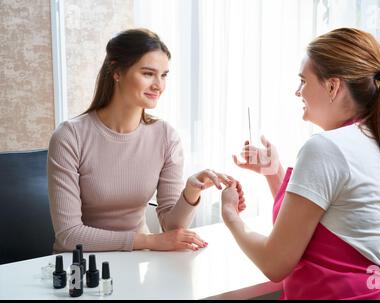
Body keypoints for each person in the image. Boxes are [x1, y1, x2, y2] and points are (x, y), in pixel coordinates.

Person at [222, 28, 380, 300]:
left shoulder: (326, 148)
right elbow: (321, 224)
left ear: (332, 86)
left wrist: (231, 217)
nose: (297, 91)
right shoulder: (379, 141)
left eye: (303, 81)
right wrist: (273, 172)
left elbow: (274, 263)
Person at [48, 28, 244, 253]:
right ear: (117, 72)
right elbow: (69, 235)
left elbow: (171, 227)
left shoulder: (166, 136)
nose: (158, 85)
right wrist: (149, 241)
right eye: (148, 73)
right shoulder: (69, 136)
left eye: (164, 75)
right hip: (80, 269)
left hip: (136, 262)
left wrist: (191, 192)